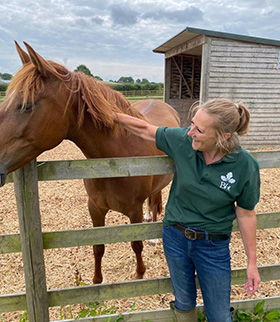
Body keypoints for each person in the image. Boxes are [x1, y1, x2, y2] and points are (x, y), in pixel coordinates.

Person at [114, 98, 261, 322]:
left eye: (199, 129)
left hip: (213, 247)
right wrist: (107, 114)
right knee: (183, 305)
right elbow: (144, 129)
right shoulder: (184, 142)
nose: (190, 131)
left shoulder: (245, 165)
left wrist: (252, 263)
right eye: (192, 124)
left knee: (220, 315)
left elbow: (246, 213)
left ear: (224, 136)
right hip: (175, 239)